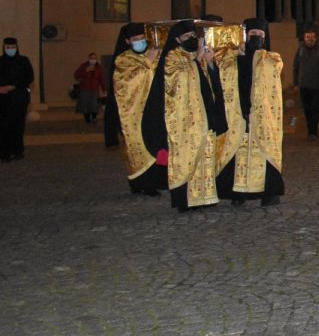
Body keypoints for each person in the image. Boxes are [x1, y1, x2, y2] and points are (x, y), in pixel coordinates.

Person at [144, 20, 223, 212]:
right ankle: (184, 200)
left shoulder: (196, 57)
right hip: (182, 120)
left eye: (193, 37)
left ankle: (204, 197)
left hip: (202, 116)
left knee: (204, 155)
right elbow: (175, 83)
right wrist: (196, 60)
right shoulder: (172, 56)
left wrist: (210, 62)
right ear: (177, 39)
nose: (191, 40)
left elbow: (209, 82)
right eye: (187, 37)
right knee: (185, 157)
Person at [216, 19, 285, 206]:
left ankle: (269, 194)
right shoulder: (232, 59)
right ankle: (238, 194)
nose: (256, 37)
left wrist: (256, 55)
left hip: (261, 117)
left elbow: (274, 69)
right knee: (236, 156)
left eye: (260, 35)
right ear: (245, 35)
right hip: (238, 113)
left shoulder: (271, 58)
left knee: (264, 155)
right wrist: (235, 54)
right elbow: (220, 67)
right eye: (253, 34)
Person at [110, 22, 166, 196]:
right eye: (136, 39)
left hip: (156, 109)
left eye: (142, 38)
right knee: (139, 146)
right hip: (134, 112)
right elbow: (127, 83)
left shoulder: (155, 55)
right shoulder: (123, 60)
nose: (140, 41)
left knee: (159, 143)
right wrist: (148, 63)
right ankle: (142, 184)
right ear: (127, 41)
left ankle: (160, 180)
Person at [0, 37, 35, 163]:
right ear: (4, 48)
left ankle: (17, 150)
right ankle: (4, 153)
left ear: (17, 47)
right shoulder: (1, 61)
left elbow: (29, 77)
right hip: (3, 99)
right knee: (4, 125)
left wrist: (13, 86)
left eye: (12, 47)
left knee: (18, 125)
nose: (10, 50)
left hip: (19, 98)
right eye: (7, 47)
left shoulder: (23, 61)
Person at [292, 27, 319, 140]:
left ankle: (313, 132)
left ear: (316, 38)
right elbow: (295, 67)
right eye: (308, 37)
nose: (310, 39)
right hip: (303, 85)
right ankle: (310, 128)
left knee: (315, 108)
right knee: (307, 109)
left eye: (312, 37)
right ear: (304, 38)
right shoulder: (300, 50)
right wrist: (295, 83)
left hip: (316, 85)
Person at [73, 52, 107, 125]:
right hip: (84, 89)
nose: (93, 60)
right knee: (85, 105)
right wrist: (85, 71)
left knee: (94, 104)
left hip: (94, 89)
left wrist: (104, 89)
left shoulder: (98, 67)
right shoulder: (83, 66)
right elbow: (76, 75)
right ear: (89, 59)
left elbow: (101, 79)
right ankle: (87, 119)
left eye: (94, 58)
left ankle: (94, 118)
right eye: (91, 58)